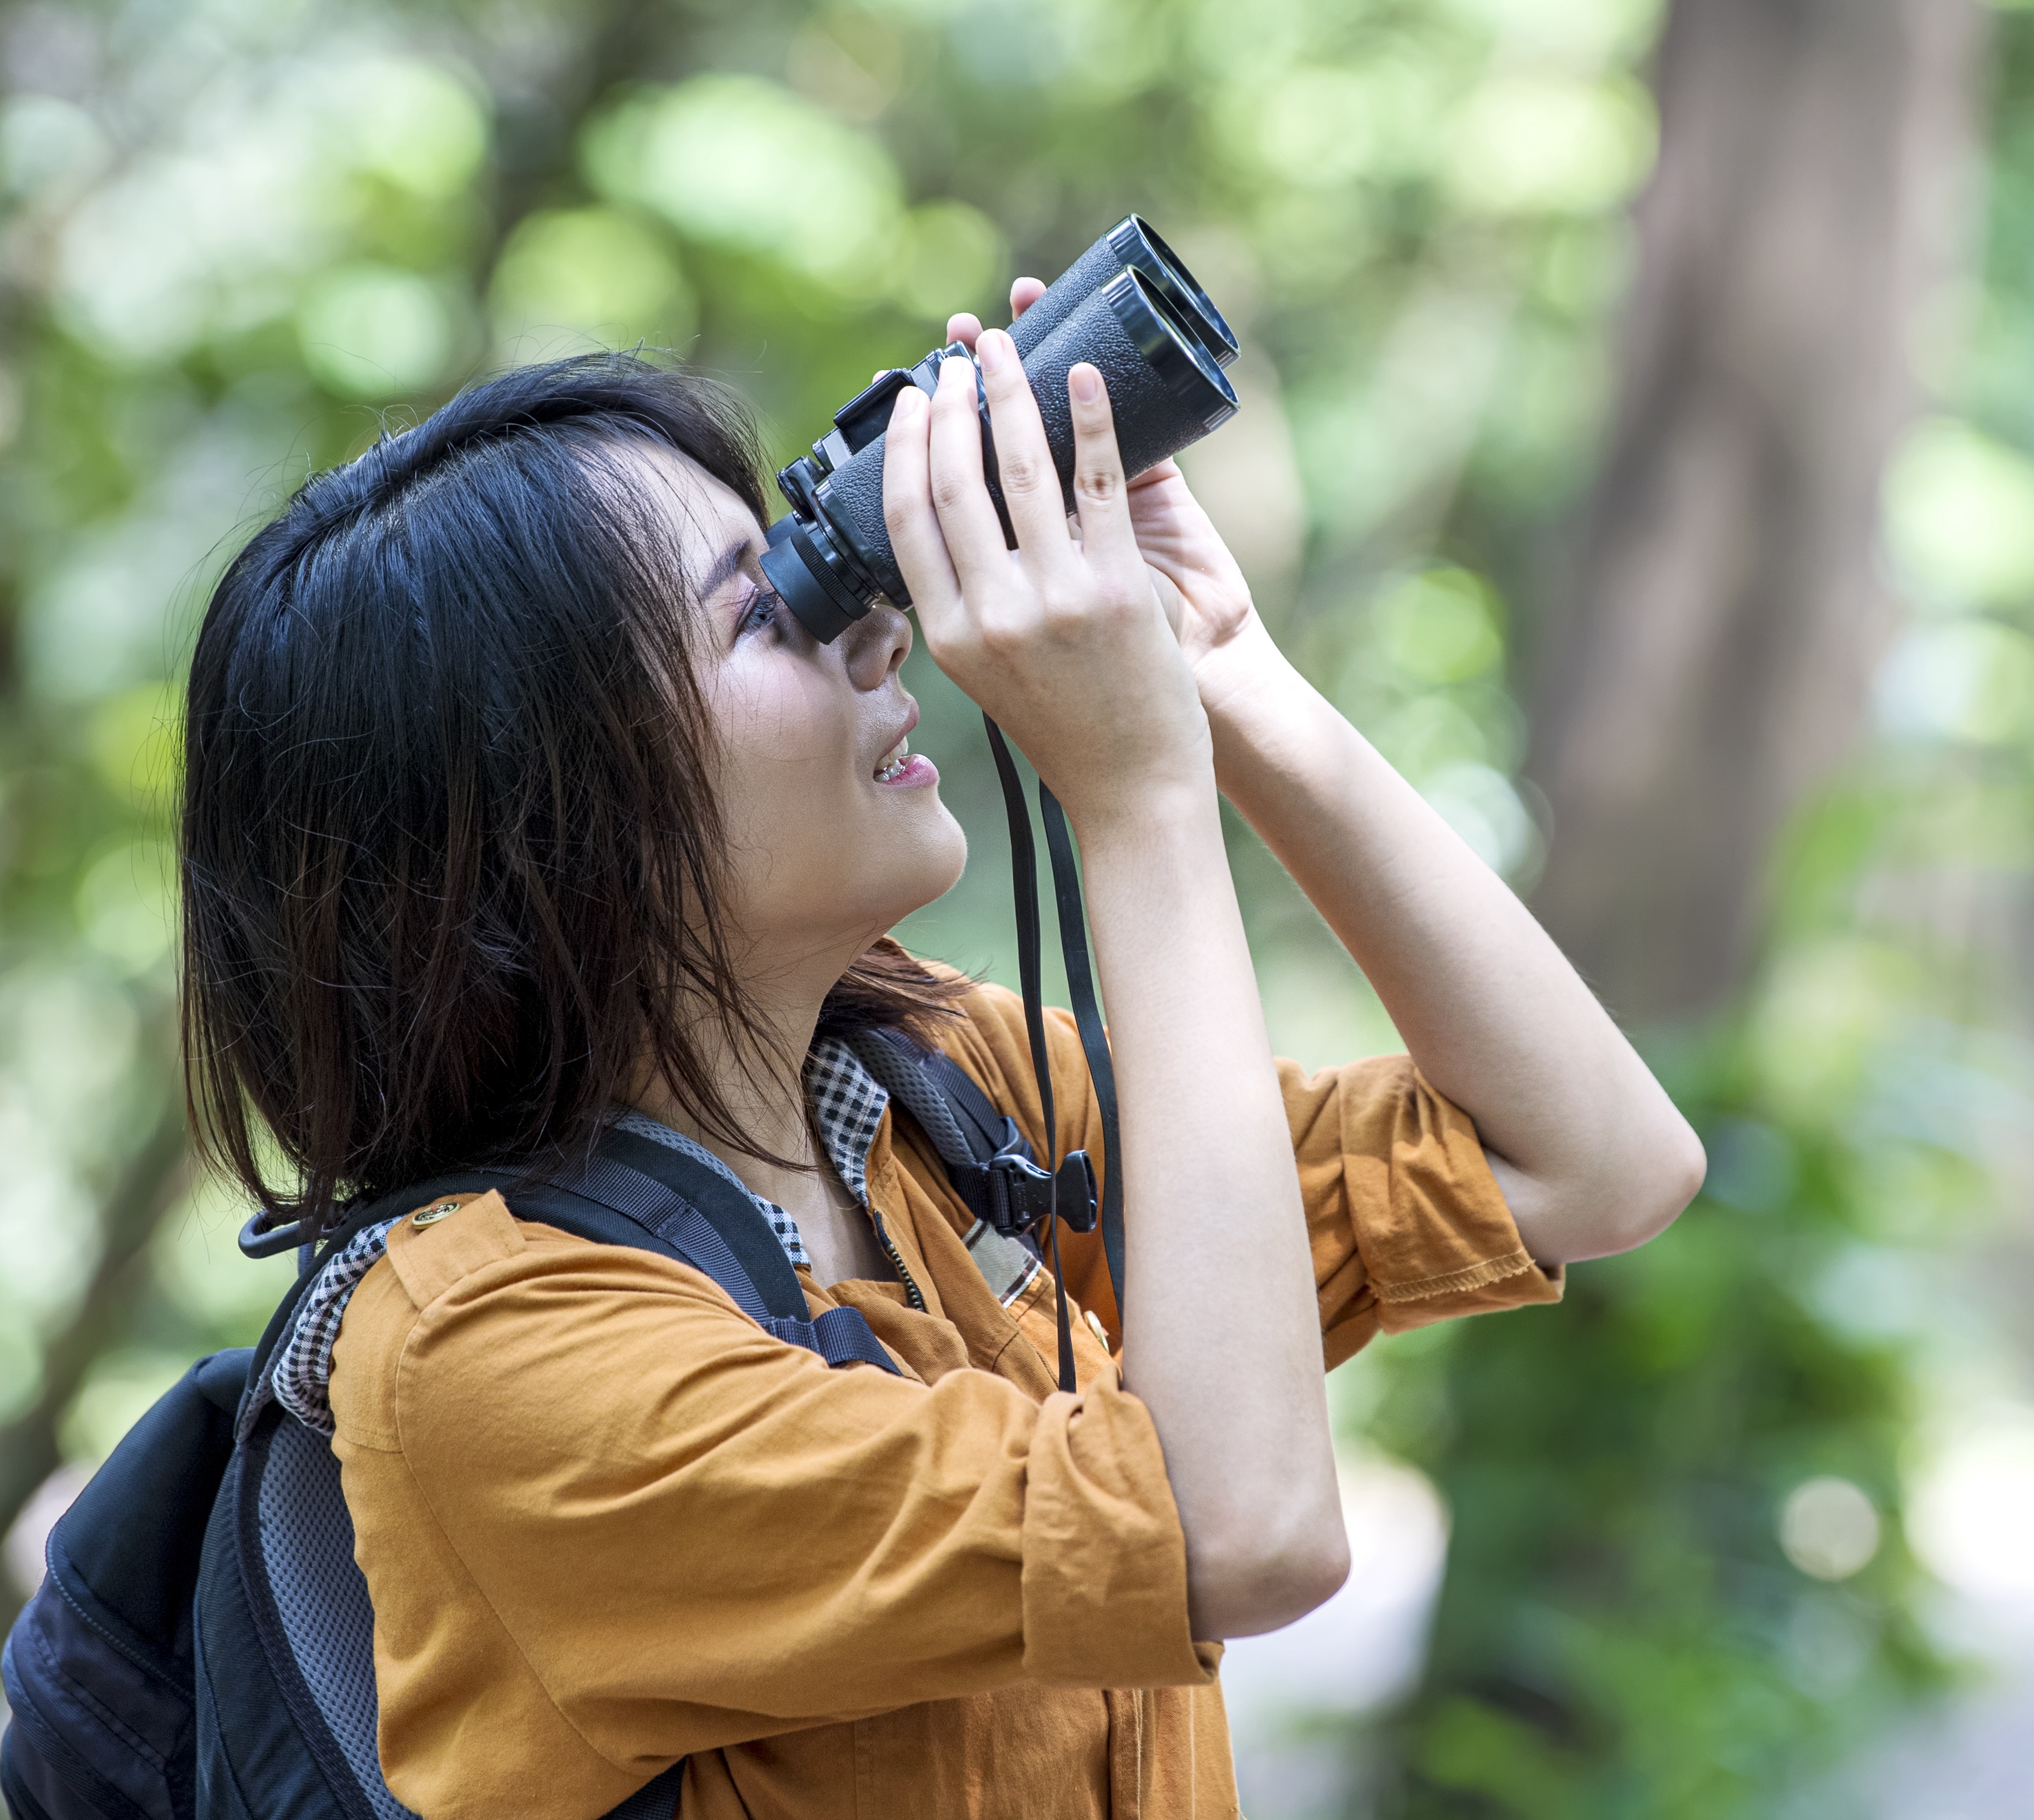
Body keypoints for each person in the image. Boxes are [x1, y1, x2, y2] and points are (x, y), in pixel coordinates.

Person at [178, 281, 1705, 1820]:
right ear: (548, 828)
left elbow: (1590, 1164)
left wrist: (1224, 664)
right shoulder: (495, 1355)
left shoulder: (935, 1095)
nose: (875, 624)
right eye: (762, 612)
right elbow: (1239, 1536)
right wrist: (1138, 796)